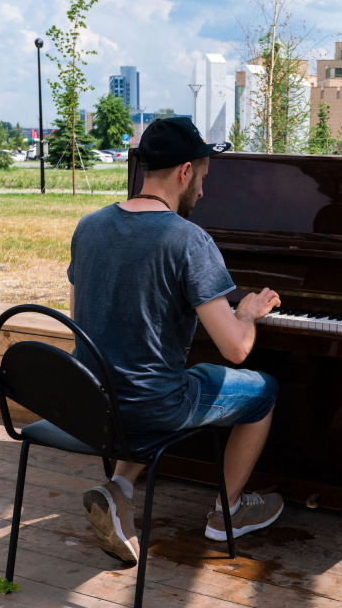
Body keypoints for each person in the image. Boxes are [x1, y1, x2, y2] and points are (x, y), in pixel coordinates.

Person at [67, 117, 284, 564]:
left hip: (89, 402)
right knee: (264, 390)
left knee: (154, 380)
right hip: (154, 407)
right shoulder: (187, 240)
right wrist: (245, 312)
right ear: (185, 172)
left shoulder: (88, 227)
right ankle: (229, 511)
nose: (202, 192)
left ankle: (118, 489)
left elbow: (81, 319)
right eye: (202, 178)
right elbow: (236, 350)